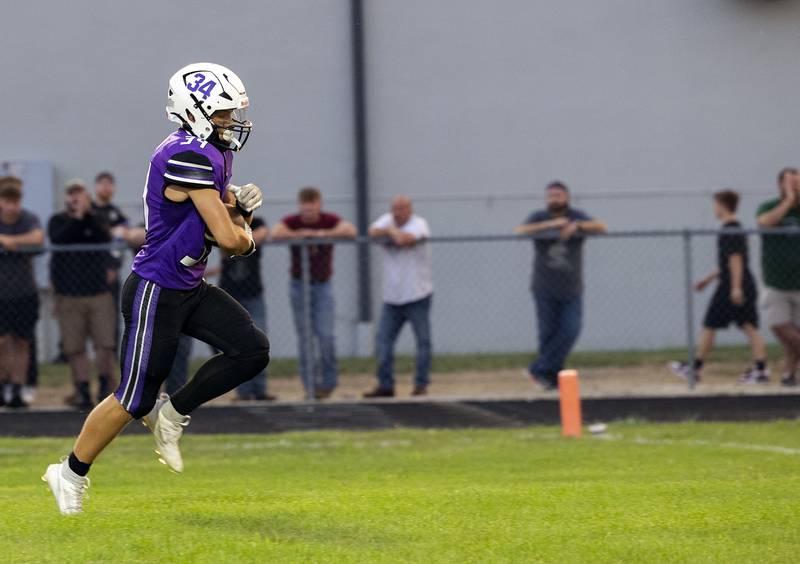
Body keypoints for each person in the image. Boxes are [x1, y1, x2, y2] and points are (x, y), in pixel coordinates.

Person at [43, 62, 269, 516]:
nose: (231, 122)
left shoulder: (210, 150)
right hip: (157, 288)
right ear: (197, 110)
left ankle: (173, 413)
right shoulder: (188, 155)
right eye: (223, 113)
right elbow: (227, 238)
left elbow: (219, 214)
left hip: (187, 284)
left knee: (251, 350)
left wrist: (236, 209)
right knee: (133, 396)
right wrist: (244, 229)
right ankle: (68, 472)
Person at [514, 181, 606, 390]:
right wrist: (550, 226)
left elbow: (601, 226)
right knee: (547, 334)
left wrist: (577, 226)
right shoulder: (539, 217)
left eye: (558, 195)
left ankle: (538, 369)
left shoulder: (576, 215)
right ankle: (551, 379)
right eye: (550, 195)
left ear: (567, 197)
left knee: (570, 330)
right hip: (544, 287)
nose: (554, 198)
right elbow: (520, 230)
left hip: (571, 288)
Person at [669, 190, 767, 384]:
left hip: (732, 285)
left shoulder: (731, 228)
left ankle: (695, 368)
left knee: (718, 324)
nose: (714, 209)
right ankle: (759, 369)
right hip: (733, 282)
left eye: (715, 204)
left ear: (722, 205)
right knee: (741, 325)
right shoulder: (731, 228)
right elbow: (726, 262)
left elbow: (736, 259)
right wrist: (707, 279)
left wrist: (736, 287)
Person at [272, 187, 356, 399]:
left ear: (319, 205)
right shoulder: (293, 221)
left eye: (312, 208)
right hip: (299, 285)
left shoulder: (328, 220)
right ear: (300, 206)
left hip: (322, 285)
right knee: (305, 338)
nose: (308, 213)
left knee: (325, 335)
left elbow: (350, 230)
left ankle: (328, 382)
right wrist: (299, 235)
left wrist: (320, 234)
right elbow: (277, 232)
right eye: (305, 209)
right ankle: (310, 386)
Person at [48, 180, 117, 409]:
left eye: (79, 193)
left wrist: (87, 215)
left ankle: (106, 386)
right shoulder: (58, 221)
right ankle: (82, 389)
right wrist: (76, 217)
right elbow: (59, 238)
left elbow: (104, 237)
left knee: (104, 344)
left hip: (98, 293)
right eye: (71, 194)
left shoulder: (97, 219)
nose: (75, 198)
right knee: (75, 346)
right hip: (69, 294)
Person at [363, 196, 433, 398]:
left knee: (423, 341)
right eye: (395, 208)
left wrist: (392, 233)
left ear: (410, 209)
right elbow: (372, 231)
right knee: (383, 341)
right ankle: (386, 385)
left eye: (402, 208)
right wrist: (391, 230)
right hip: (392, 298)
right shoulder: (387, 221)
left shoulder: (419, 223)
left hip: (418, 294)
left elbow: (405, 240)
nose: (397, 212)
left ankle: (421, 384)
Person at [213, 216, 275, 401]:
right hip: (230, 294)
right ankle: (243, 391)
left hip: (253, 293)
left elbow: (261, 234)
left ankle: (260, 389)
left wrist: (238, 236)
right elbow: (223, 242)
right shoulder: (220, 220)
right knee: (236, 343)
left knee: (260, 340)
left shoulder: (256, 222)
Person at [0, 177, 44, 408]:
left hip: (24, 292)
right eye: (7, 200)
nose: (11, 206)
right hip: (1, 294)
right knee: (3, 341)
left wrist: (8, 241)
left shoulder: (28, 219)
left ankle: (17, 387)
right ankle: (3, 384)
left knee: (22, 341)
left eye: (15, 200)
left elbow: (37, 238)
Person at [756, 167, 800, 387]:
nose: (795, 187)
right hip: (776, 283)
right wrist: (788, 201)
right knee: (779, 325)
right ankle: (789, 374)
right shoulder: (769, 206)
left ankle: (788, 375)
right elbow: (765, 223)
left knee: (794, 335)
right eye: (790, 183)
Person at [92, 171, 129, 350]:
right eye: (102, 183)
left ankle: (112, 350)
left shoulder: (117, 215)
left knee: (112, 313)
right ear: (96, 187)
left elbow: (119, 245)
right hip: (86, 271)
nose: (106, 187)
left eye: (109, 184)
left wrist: (113, 268)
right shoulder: (88, 212)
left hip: (109, 274)